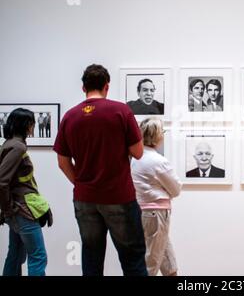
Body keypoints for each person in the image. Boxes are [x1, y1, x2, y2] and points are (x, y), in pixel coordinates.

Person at [53, 64, 148, 276]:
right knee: (132, 258)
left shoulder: (70, 116)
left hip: (85, 198)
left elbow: (62, 161)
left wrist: (81, 182)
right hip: (118, 196)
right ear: (107, 86)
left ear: (83, 88)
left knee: (91, 257)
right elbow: (139, 152)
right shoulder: (121, 111)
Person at [0, 108, 52, 276]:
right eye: (32, 123)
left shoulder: (8, 144)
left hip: (17, 209)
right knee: (38, 256)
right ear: (26, 125)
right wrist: (9, 209)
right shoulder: (17, 147)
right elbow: (1, 181)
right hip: (23, 210)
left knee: (15, 255)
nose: (33, 126)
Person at [130, 117, 181, 276]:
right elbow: (176, 189)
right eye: (162, 132)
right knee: (150, 265)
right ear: (157, 135)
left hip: (145, 213)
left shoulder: (135, 159)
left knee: (169, 264)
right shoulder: (158, 161)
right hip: (156, 215)